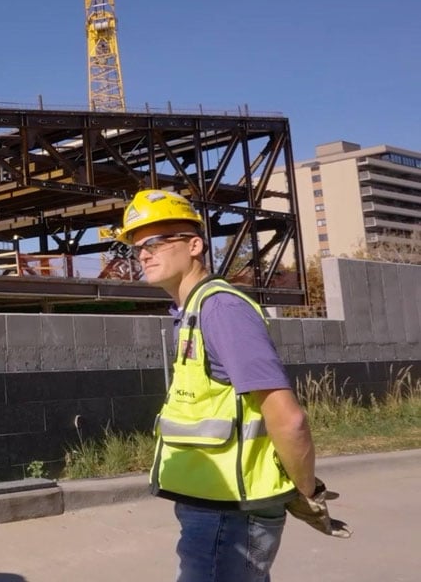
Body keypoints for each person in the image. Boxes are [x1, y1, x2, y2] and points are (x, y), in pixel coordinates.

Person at [115, 189, 351, 582]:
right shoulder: (192, 311)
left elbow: (287, 418)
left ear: (194, 245)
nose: (143, 253)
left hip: (233, 510)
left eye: (156, 241)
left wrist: (306, 490)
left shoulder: (221, 309)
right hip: (215, 502)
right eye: (136, 247)